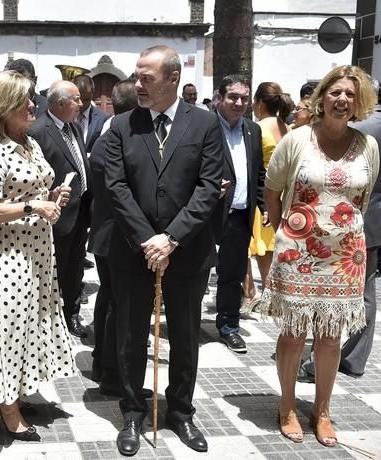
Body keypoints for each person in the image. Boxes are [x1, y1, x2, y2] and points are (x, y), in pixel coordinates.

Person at [103, 45, 223, 455]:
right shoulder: (121, 126)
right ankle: (133, 411)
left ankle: (181, 412)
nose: (137, 85)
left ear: (173, 79)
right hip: (134, 251)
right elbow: (116, 188)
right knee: (132, 334)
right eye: (136, 76)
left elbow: (210, 187)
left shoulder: (205, 124)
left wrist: (171, 238)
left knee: (186, 335)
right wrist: (147, 239)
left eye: (146, 78)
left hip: (187, 252)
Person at [260, 65, 379, 447]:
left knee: (330, 337)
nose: (342, 100)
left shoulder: (367, 146)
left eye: (350, 94)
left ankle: (322, 411)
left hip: (345, 254)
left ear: (358, 103)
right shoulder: (296, 140)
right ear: (321, 97)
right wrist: (285, 230)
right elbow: (273, 188)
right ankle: (287, 406)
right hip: (298, 250)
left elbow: (363, 194)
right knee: (294, 334)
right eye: (335, 92)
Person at [0, 70, 75, 442]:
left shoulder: (30, 144)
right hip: (8, 257)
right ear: (2, 109)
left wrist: (52, 199)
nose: (33, 104)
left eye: (32, 98)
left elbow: (33, 198)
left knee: (32, 325)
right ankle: (7, 409)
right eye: (24, 100)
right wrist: (34, 205)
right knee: (10, 330)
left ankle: (15, 393)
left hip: (37, 253)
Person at [297, 78, 381, 383]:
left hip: (344, 228)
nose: (346, 99)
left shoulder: (361, 132)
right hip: (373, 223)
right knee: (367, 295)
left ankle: (317, 359)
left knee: (330, 301)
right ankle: (356, 357)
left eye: (353, 92)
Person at [27, 80, 92, 338]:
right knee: (53, 269)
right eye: (76, 99)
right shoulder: (38, 131)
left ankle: (71, 314)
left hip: (80, 212)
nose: (81, 103)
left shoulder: (72, 127)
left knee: (75, 267)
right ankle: (47, 319)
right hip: (55, 215)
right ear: (61, 102)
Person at [89, 79, 138, 388]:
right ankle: (112, 373)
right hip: (115, 234)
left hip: (107, 231)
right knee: (118, 305)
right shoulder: (119, 136)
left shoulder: (108, 131)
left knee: (110, 300)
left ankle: (104, 365)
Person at [213, 75, 265, 353]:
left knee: (232, 276)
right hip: (206, 216)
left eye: (244, 98)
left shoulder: (252, 131)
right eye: (233, 96)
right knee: (195, 273)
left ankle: (229, 326)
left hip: (240, 215)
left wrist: (264, 206)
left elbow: (258, 172)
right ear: (220, 97)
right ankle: (182, 325)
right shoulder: (204, 127)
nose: (239, 103)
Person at [244, 82, 294, 309]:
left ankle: (257, 293)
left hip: (263, 193)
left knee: (256, 247)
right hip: (284, 194)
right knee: (272, 246)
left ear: (259, 102)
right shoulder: (288, 128)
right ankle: (271, 293)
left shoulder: (257, 128)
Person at [73, 74, 110, 153]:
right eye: (78, 99)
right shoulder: (64, 116)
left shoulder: (104, 118)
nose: (81, 104)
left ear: (93, 93)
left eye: (86, 99)